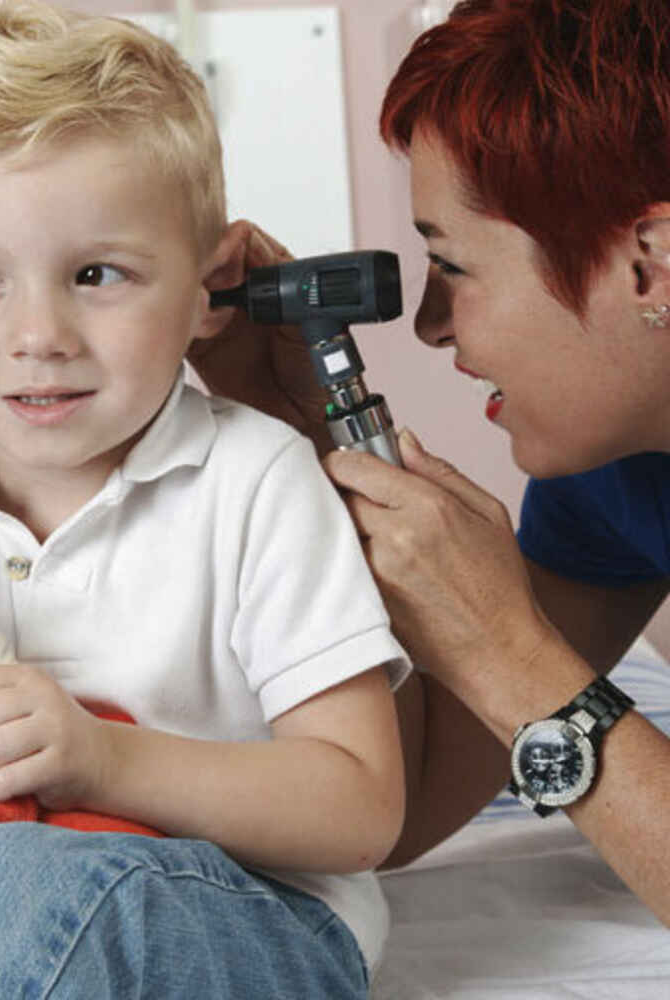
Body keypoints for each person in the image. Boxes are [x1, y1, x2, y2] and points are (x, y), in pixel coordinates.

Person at [0, 2, 409, 996]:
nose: (39, 332)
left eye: (96, 274)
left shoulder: (258, 483)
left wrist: (103, 762)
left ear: (210, 286)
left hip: (255, 920)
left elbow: (360, 803)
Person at [193, 0, 670, 926]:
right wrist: (293, 419)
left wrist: (507, 652)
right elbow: (399, 811)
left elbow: (524, 685)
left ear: (648, 262)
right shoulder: (612, 476)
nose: (427, 324)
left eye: (452, 266)